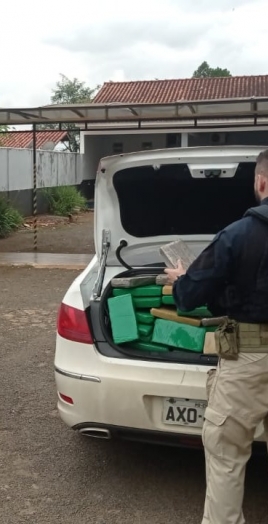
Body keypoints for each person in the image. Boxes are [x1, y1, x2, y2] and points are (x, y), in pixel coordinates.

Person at [165, 149, 268, 524]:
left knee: (227, 455)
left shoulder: (237, 235)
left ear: (260, 182)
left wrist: (183, 279)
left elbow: (190, 297)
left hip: (248, 361)